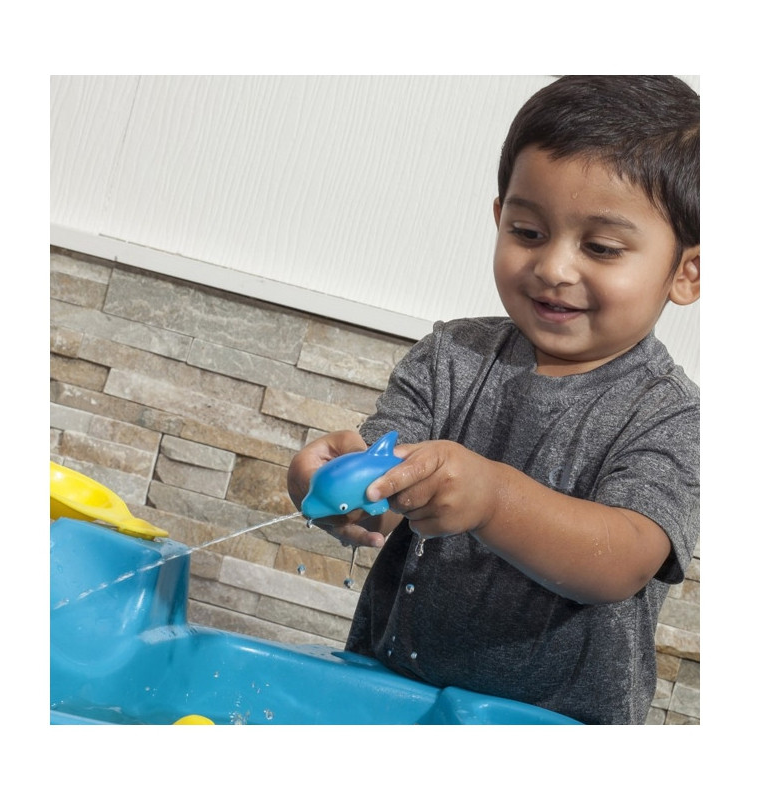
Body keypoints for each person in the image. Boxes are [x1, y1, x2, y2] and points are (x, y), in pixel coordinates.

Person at [287, 75, 700, 725]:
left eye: (600, 248)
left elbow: (621, 560)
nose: (554, 268)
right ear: (499, 216)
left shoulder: (671, 415)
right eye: (528, 232)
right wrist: (334, 483)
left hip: (552, 728)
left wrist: (493, 500)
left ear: (686, 272)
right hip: (393, 699)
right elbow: (382, 481)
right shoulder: (451, 356)